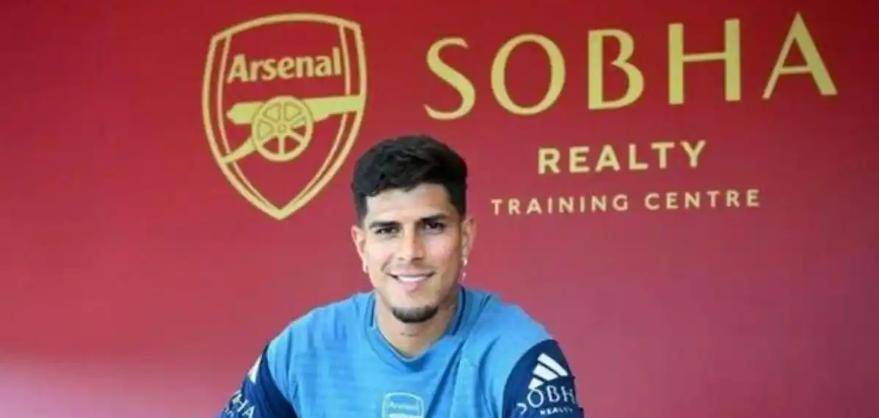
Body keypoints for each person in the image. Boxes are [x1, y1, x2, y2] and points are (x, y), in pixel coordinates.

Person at [218, 135, 584, 418]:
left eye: (432, 226)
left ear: (465, 236)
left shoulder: (519, 354)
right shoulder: (302, 348)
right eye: (387, 230)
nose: (410, 252)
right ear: (362, 246)